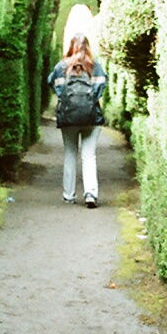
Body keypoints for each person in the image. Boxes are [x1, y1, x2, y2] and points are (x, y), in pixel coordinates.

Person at [45, 33, 107, 208]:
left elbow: (51, 83)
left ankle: (69, 195)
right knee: (89, 156)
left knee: (70, 154)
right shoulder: (96, 67)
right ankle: (90, 194)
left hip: (69, 117)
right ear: (88, 46)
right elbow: (101, 88)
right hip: (91, 117)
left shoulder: (61, 67)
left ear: (71, 46)